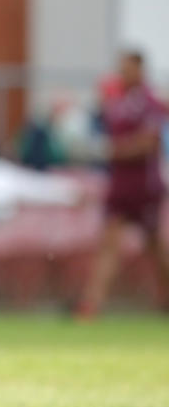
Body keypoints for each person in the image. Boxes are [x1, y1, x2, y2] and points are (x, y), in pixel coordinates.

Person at [76, 51, 169, 318]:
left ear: (140, 70)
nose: (123, 74)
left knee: (156, 249)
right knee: (108, 244)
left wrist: (111, 150)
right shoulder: (117, 103)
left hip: (145, 186)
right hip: (120, 185)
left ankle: (165, 298)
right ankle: (91, 305)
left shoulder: (150, 102)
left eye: (127, 69)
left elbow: (148, 143)